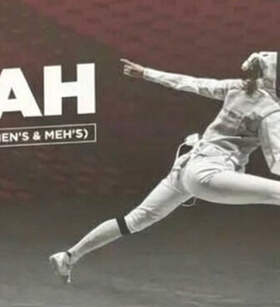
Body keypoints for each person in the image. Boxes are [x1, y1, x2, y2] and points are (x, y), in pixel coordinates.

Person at [49, 52, 280, 283]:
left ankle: (68, 256)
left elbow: (190, 83)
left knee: (134, 220)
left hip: (185, 169)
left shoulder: (237, 87)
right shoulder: (271, 111)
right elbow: (276, 162)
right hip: (208, 174)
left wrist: (145, 73)